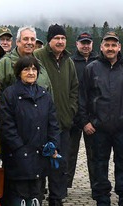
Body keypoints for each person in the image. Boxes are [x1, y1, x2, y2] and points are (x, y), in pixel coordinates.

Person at [78, 31, 123, 206]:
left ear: (119, 47)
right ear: (101, 47)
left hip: (122, 128)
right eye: (107, 45)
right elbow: (82, 98)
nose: (111, 48)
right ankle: (101, 198)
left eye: (114, 45)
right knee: (99, 165)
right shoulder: (91, 68)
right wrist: (85, 122)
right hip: (98, 129)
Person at [0, 55, 61, 206]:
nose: (31, 72)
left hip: (40, 156)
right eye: (26, 69)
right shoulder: (10, 94)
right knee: (18, 196)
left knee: (36, 195)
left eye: (34, 69)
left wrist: (53, 144)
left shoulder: (44, 95)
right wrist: (20, 148)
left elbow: (53, 123)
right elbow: (7, 125)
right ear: (19, 72)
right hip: (17, 156)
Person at [33, 24, 79, 206]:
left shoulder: (68, 61)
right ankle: (37, 197)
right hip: (40, 124)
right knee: (40, 163)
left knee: (60, 164)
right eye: (56, 38)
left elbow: (74, 88)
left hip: (63, 124)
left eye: (63, 38)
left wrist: (71, 110)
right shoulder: (38, 57)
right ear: (49, 41)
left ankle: (56, 199)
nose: (60, 42)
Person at [68, 32, 99, 189]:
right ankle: (64, 187)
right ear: (77, 44)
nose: (86, 45)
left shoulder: (99, 61)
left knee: (94, 154)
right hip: (73, 115)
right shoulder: (70, 62)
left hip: (92, 116)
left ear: (92, 44)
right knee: (69, 154)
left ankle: (96, 186)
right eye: (83, 42)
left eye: (88, 42)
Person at [0, 26, 52, 92]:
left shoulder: (40, 65)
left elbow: (49, 93)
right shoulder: (5, 63)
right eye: (25, 39)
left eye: (32, 39)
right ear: (17, 42)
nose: (29, 42)